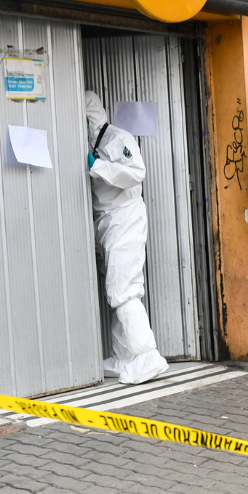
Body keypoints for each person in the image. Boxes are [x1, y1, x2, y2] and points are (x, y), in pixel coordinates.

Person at [86, 91, 169, 385]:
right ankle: (124, 356)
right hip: (110, 223)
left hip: (125, 220)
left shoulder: (117, 138)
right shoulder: (98, 143)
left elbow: (137, 171)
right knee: (115, 290)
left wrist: (97, 167)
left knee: (124, 290)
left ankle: (147, 356)